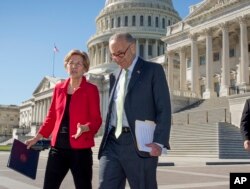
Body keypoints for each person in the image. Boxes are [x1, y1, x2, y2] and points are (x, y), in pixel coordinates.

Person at [98, 32, 172, 189]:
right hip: (112, 142)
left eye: (120, 53)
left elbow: (163, 108)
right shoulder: (114, 75)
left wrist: (159, 142)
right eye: (113, 55)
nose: (116, 59)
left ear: (132, 47)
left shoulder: (153, 70)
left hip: (139, 143)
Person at [25, 49, 102, 189]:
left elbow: (97, 120)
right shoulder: (59, 88)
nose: (74, 66)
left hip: (81, 150)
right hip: (58, 149)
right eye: (71, 63)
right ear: (66, 66)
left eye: (78, 63)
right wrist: (37, 137)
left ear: (85, 68)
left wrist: (85, 127)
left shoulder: (91, 89)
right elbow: (51, 117)